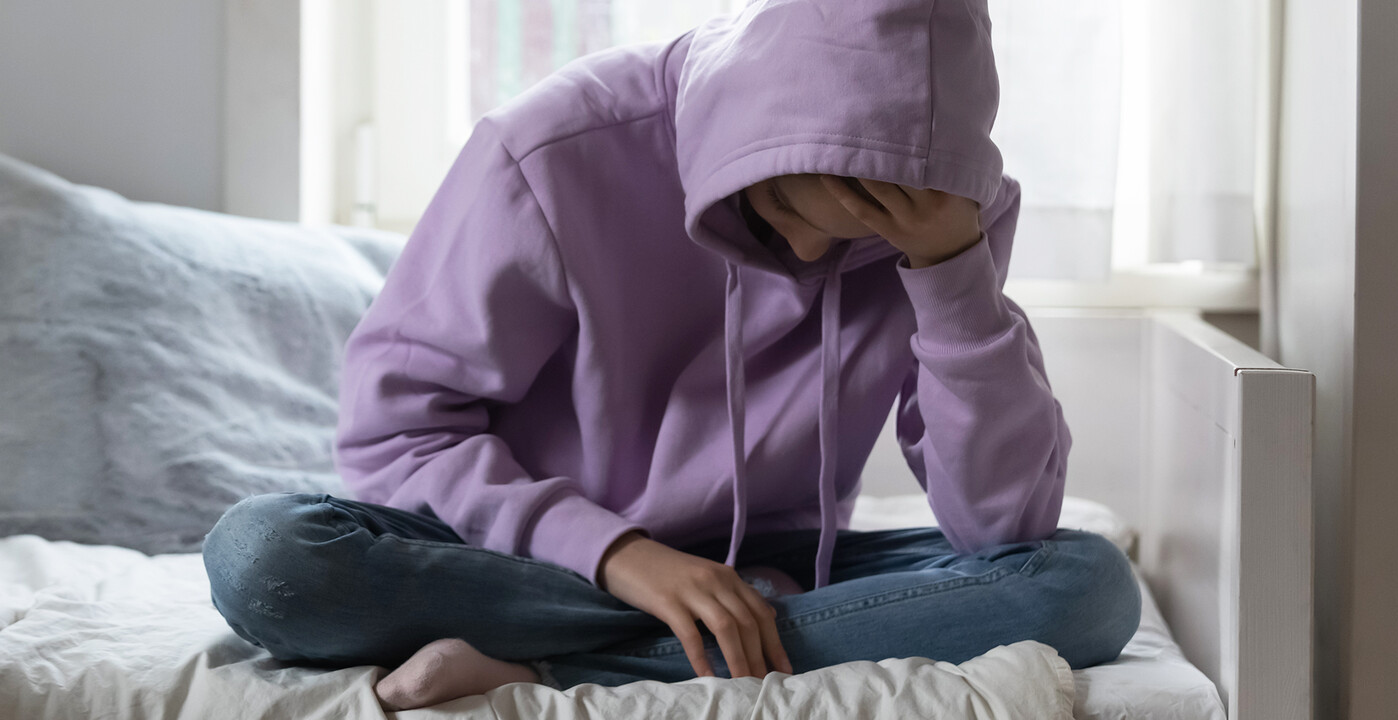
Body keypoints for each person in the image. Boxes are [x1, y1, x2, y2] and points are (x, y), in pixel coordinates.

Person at [203, 0, 1141, 710]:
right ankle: (635, 629)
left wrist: (948, 276)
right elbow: (395, 439)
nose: (810, 264)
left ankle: (551, 661)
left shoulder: (948, 221)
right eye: (779, 215)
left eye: (852, 244)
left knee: (1084, 587)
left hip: (760, 566)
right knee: (265, 557)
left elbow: (1002, 525)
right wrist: (619, 557)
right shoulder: (552, 151)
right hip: (517, 551)